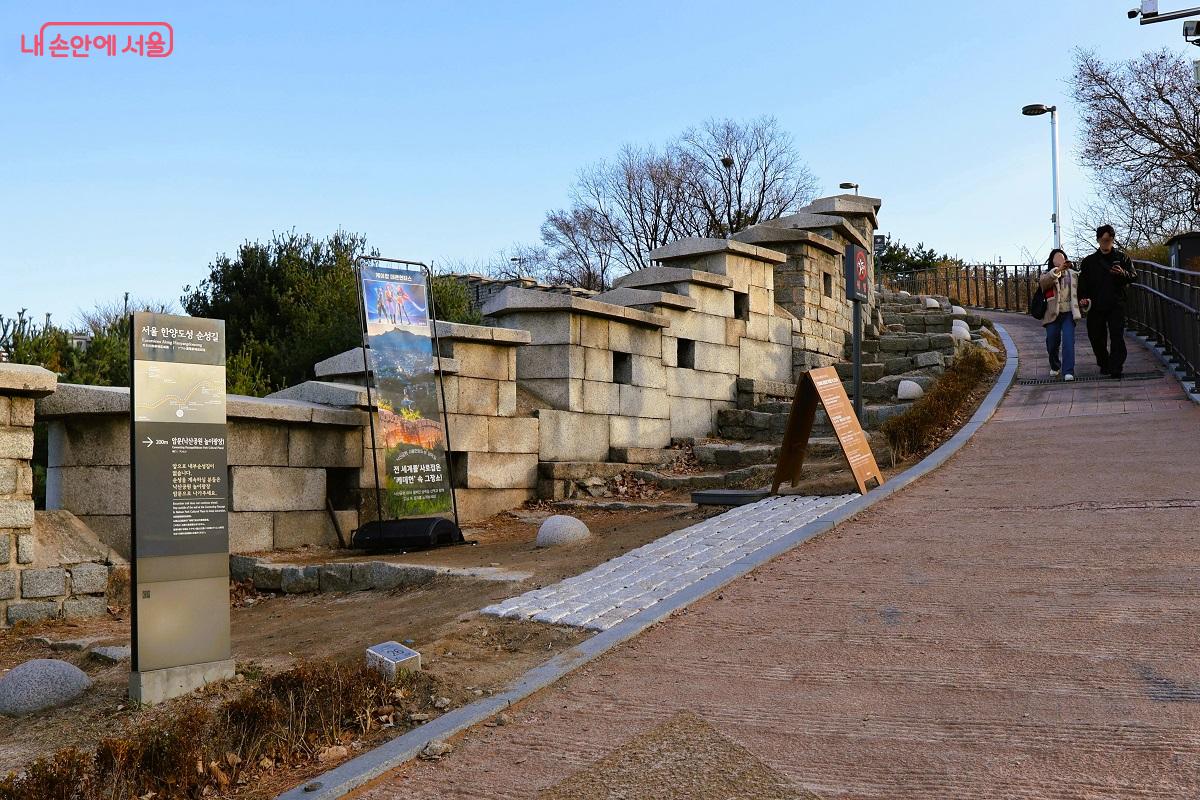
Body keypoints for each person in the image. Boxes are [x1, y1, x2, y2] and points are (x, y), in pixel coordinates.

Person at [1078, 224, 1138, 378]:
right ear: (1098, 240)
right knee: (1096, 337)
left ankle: (1116, 367)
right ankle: (1104, 363)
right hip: (1095, 304)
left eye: (1109, 240)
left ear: (1113, 240)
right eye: (1103, 240)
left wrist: (1122, 273)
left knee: (1117, 336)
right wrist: (1082, 298)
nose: (1106, 243)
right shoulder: (1089, 261)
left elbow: (1134, 276)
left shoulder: (1122, 258)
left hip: (1116, 303)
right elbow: (1082, 283)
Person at [1038, 248, 1081, 380]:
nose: (1060, 260)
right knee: (1052, 341)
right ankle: (1055, 366)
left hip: (1068, 312)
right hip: (1052, 313)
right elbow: (1044, 284)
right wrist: (1058, 270)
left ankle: (1068, 370)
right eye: (1056, 258)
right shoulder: (1047, 274)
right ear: (1052, 260)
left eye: (1062, 257)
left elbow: (1081, 290)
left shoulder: (1073, 274)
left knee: (1068, 340)